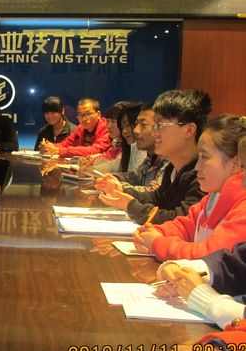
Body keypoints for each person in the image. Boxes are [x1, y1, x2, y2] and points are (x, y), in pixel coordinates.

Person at [133, 115, 246, 260]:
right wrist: (156, 231)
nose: (197, 167)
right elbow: (186, 226)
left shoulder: (242, 209)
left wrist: (158, 243)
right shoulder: (212, 197)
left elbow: (211, 256)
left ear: (236, 163)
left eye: (205, 157)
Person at [96, 90, 211, 225]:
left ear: (189, 130)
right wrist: (122, 191)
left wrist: (131, 206)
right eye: (154, 125)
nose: (154, 132)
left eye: (160, 125)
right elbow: (158, 198)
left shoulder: (203, 173)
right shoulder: (172, 168)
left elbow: (183, 220)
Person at [108, 102, 169, 192]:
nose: (136, 130)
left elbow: (155, 193)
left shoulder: (171, 159)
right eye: (136, 124)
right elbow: (136, 177)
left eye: (143, 125)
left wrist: (118, 187)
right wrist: (112, 178)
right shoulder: (151, 157)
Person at [38, 98, 111, 157]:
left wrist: (59, 151)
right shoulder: (80, 128)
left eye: (88, 114)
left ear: (98, 114)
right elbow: (65, 144)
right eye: (80, 115)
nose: (84, 119)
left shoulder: (107, 128)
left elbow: (94, 150)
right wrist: (48, 147)